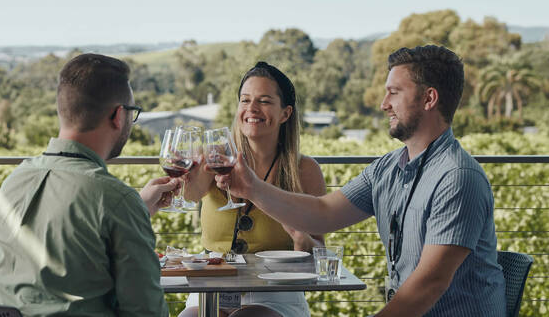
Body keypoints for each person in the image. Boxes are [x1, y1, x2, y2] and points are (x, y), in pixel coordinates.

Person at [216, 46, 506, 316]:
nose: (383, 104)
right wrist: (252, 187)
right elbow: (323, 213)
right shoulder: (388, 169)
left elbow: (428, 286)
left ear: (429, 99)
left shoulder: (457, 178)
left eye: (394, 93)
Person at [0, 53, 179, 317]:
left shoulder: (14, 182)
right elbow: (146, 312)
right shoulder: (115, 200)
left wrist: (138, 210)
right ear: (118, 115)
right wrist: (130, 209)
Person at [179, 62, 326, 317]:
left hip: (276, 287)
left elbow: (318, 250)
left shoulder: (305, 170)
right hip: (214, 281)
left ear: (285, 113)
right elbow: (189, 196)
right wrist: (196, 170)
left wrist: (302, 241)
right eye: (245, 100)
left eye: (265, 101)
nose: (252, 109)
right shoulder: (217, 157)